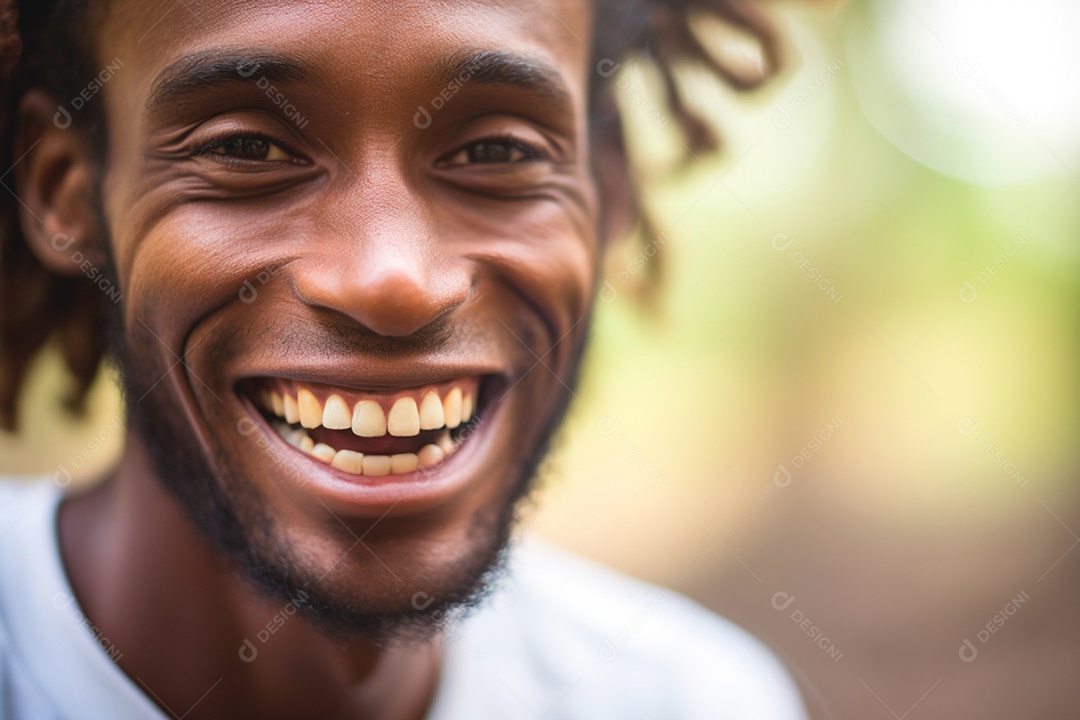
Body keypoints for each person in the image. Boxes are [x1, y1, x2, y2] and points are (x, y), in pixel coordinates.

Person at [0, 0, 810, 717]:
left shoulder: (690, 700)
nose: (394, 280)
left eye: (496, 152)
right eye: (248, 146)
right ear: (65, 191)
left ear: (607, 193)